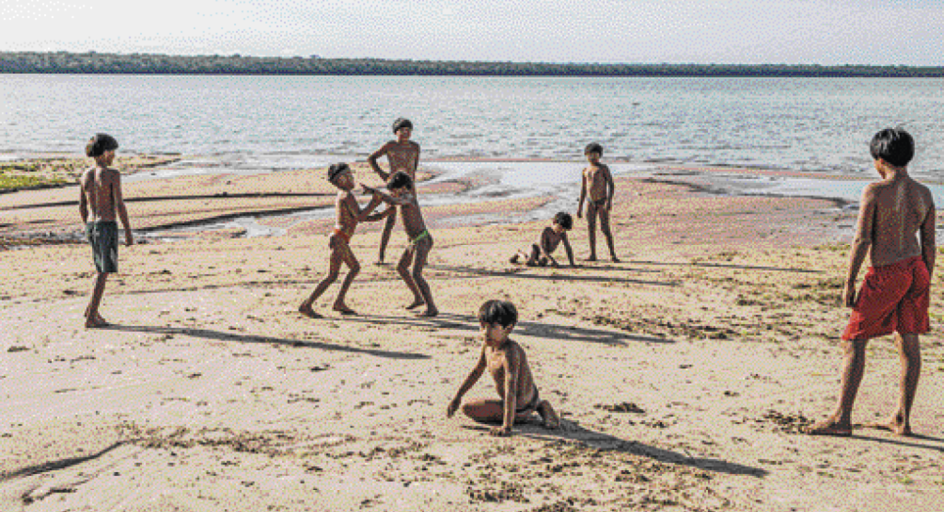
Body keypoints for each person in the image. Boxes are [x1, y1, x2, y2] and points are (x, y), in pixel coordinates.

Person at [807, 128, 935, 437]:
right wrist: (925, 279)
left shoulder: (875, 192)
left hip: (887, 272)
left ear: (879, 160)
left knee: (854, 341)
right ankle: (902, 418)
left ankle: (842, 418)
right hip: (916, 268)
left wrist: (849, 280)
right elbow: (929, 244)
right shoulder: (924, 193)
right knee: (908, 339)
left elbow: (863, 238)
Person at [447, 300, 560, 436]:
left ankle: (536, 408)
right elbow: (476, 372)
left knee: (468, 407)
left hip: (521, 405)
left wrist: (507, 426)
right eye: (482, 326)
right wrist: (458, 396)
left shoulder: (510, 352)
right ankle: (535, 407)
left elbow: (510, 389)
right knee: (467, 407)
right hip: (513, 401)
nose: (485, 332)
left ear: (508, 329)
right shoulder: (487, 347)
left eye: (493, 327)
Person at [299, 163, 391, 318]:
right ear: (341, 179)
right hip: (340, 239)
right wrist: (374, 202)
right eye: (349, 176)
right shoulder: (346, 195)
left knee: (341, 272)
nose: (353, 178)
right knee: (341, 273)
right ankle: (308, 304)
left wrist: (381, 215)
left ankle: (337, 302)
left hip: (340, 238)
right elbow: (360, 217)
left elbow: (359, 216)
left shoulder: (344, 194)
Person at [363, 172, 438, 317]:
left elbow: (394, 200)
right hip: (414, 241)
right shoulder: (400, 198)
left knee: (417, 274)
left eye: (394, 189)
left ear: (404, 187)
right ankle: (418, 297)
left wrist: (374, 192)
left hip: (422, 239)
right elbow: (389, 204)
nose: (393, 193)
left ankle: (431, 307)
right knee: (401, 268)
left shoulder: (409, 198)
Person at [79, 133, 133, 328]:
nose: (114, 155)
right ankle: (91, 317)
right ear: (105, 152)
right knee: (104, 271)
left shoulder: (85, 175)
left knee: (99, 269)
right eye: (112, 151)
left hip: (92, 226)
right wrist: (127, 231)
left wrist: (88, 225)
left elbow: (82, 207)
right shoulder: (112, 174)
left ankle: (91, 310)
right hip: (106, 225)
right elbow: (119, 204)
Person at [367, 117, 420, 265]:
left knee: (412, 220)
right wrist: (383, 174)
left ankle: (414, 253)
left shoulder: (415, 147)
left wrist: (411, 183)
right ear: (396, 132)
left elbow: (414, 167)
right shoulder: (390, 145)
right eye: (402, 130)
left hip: (409, 188)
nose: (405, 133)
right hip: (394, 187)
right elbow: (371, 158)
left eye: (408, 130)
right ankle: (381, 255)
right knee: (390, 220)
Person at [577, 143, 619, 262]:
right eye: (590, 155)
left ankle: (612, 254)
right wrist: (580, 207)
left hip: (601, 201)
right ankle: (593, 254)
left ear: (599, 155)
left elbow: (611, 184)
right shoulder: (585, 170)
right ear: (586, 155)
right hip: (589, 202)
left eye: (595, 155)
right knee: (591, 228)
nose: (593, 157)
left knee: (605, 228)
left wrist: (609, 201)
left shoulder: (603, 168)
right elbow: (584, 189)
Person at [509, 212, 576, 267]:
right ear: (554, 223)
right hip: (536, 248)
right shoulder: (546, 231)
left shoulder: (562, 234)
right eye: (560, 228)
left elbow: (568, 248)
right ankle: (520, 253)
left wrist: (572, 263)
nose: (561, 231)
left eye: (563, 230)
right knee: (529, 262)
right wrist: (552, 260)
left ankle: (537, 259)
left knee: (542, 263)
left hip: (545, 253)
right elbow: (542, 248)